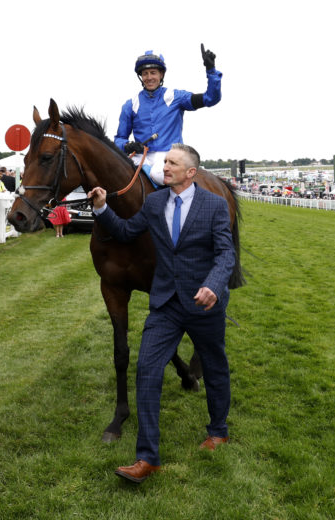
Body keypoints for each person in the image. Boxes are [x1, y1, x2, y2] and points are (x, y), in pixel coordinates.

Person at [88, 143, 235, 483]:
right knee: (147, 369)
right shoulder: (154, 203)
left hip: (204, 303)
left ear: (190, 172)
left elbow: (226, 254)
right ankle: (147, 458)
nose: (164, 167)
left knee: (214, 368)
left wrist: (213, 285)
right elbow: (125, 232)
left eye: (172, 163)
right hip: (166, 305)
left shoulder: (214, 204)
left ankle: (218, 430)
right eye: (165, 161)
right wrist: (101, 208)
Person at [114, 44, 222, 186]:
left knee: (157, 174)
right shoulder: (130, 105)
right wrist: (127, 145)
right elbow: (119, 139)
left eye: (153, 73)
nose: (149, 77)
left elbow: (211, 98)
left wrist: (211, 70)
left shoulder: (176, 97)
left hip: (170, 155)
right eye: (145, 74)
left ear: (161, 74)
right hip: (141, 157)